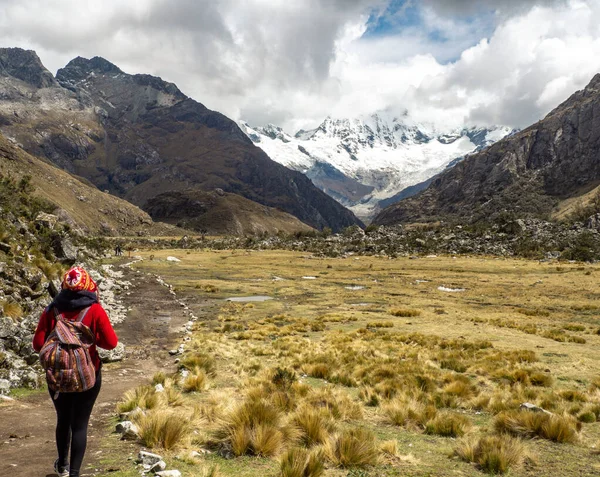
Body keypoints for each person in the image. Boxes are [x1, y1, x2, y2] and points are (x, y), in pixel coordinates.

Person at [33, 266, 119, 477]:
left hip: (58, 376)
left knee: (63, 420)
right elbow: (111, 343)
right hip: (87, 375)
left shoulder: (52, 309)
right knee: (80, 425)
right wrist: (89, 339)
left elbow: (37, 344)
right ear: (89, 285)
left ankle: (61, 465)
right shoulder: (94, 310)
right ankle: (74, 473)